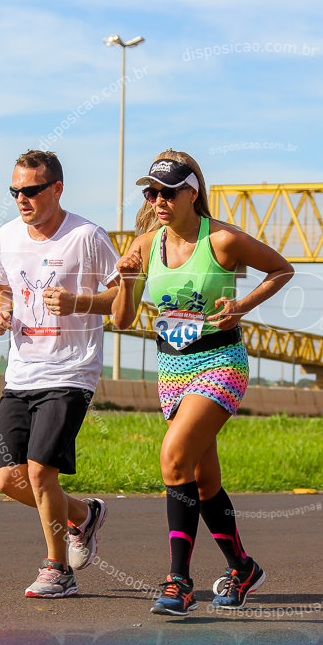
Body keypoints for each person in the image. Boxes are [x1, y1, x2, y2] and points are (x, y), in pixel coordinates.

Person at [112, 150, 294, 616]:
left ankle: (179, 582)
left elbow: (281, 268)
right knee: (201, 477)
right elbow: (122, 318)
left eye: (167, 192)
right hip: (172, 368)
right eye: (151, 192)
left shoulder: (224, 241)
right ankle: (243, 567)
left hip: (220, 362)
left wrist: (243, 304)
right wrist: (129, 278)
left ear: (192, 193)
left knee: (173, 459)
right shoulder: (145, 244)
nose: (157, 201)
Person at [0, 149, 120, 598]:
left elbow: (123, 301)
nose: (21, 199)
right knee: (8, 478)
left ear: (56, 188)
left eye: (31, 190)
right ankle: (83, 515)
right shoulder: (5, 237)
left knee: (41, 471)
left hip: (71, 370)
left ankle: (58, 570)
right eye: (15, 191)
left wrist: (80, 302)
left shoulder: (86, 237)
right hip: (21, 372)